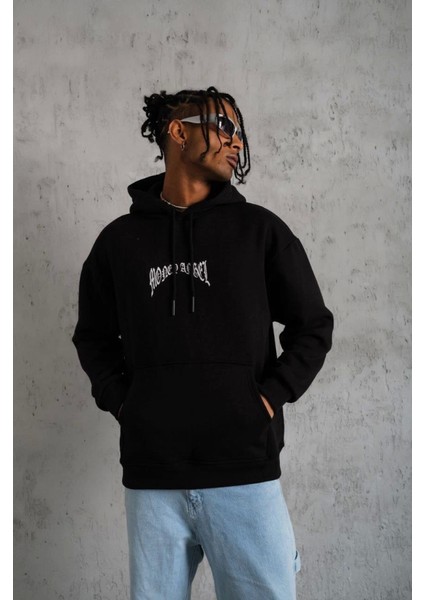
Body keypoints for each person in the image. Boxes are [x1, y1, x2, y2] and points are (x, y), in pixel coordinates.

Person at [71, 86, 334, 600]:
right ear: (178, 132)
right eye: (224, 127)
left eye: (239, 132)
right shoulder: (118, 243)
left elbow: (313, 326)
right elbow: (93, 337)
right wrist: (126, 404)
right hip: (153, 478)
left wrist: (266, 399)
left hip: (245, 472)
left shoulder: (261, 231)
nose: (237, 142)